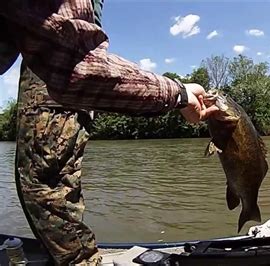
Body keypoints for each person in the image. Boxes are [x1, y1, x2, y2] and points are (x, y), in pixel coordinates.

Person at [0, 0, 218, 265]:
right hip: (54, 52)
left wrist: (178, 94)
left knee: (45, 182)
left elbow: (75, 66)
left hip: (56, 57)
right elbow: (76, 65)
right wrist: (179, 94)